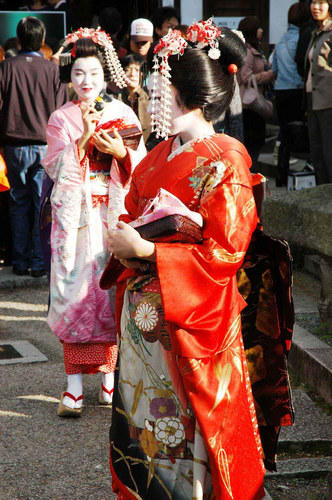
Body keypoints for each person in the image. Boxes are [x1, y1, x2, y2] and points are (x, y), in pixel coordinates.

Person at [107, 21, 266, 499]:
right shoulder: (160, 154)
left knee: (182, 426)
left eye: (161, 91)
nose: (156, 99)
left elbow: (227, 251)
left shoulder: (227, 159)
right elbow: (132, 206)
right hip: (144, 319)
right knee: (144, 424)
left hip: (189, 316)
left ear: (186, 95)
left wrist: (151, 251)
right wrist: (125, 232)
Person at [41, 28, 146, 417]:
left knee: (111, 295)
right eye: (80, 74)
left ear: (106, 78)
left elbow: (141, 165)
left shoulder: (122, 113)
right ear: (71, 78)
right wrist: (82, 139)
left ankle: (109, 381)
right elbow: (53, 167)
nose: (87, 82)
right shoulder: (60, 118)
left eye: (95, 75)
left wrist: (121, 151)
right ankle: (72, 388)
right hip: (77, 220)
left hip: (112, 217)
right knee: (74, 296)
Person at [0, 16, 67, 277]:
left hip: (13, 146)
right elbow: (60, 110)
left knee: (17, 203)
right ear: (42, 40)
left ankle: (19, 262)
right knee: (41, 206)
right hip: (44, 146)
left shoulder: (6, 68)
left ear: (18, 40)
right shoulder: (51, 70)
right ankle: (39, 264)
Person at [272, 2, 311, 186]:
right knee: (305, 131)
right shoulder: (305, 38)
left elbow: (275, 70)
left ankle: (281, 177)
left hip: (281, 92)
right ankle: (310, 171)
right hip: (297, 90)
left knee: (285, 135)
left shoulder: (281, 40)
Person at [237, 16, 274, 172]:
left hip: (254, 103)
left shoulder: (255, 49)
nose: (262, 30)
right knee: (252, 143)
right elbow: (245, 76)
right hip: (249, 105)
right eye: (259, 27)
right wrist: (269, 75)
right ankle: (249, 173)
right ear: (252, 30)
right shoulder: (247, 51)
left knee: (256, 143)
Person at [305, 0, 332, 184]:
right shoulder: (316, 32)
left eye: (321, 2)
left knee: (329, 151)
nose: (316, 7)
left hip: (329, 99)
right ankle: (321, 195)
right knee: (317, 151)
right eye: (313, 2)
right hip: (312, 98)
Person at [114, 54, 151, 143]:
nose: (132, 74)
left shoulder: (150, 97)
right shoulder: (115, 99)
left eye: (137, 70)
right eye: (128, 70)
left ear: (142, 74)